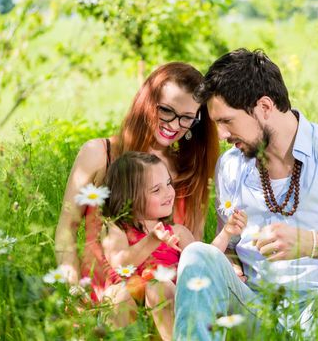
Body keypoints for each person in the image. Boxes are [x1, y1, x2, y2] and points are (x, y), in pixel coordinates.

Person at [173, 48, 318, 340]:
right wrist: (231, 263)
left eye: (227, 121)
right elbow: (229, 245)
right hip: (258, 318)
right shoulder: (231, 166)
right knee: (199, 254)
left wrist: (314, 245)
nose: (221, 135)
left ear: (265, 107)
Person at [54, 63, 219, 303]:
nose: (174, 125)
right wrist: (72, 291)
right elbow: (66, 230)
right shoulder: (100, 154)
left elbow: (192, 248)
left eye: (186, 118)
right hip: (106, 301)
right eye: (167, 111)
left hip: (166, 300)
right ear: (147, 103)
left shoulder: (190, 170)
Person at [101, 151, 247, 340]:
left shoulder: (178, 232)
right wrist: (152, 239)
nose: (169, 192)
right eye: (156, 190)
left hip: (169, 307)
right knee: (121, 294)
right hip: (130, 308)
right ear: (128, 197)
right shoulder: (117, 228)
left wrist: (226, 233)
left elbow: (203, 260)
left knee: (157, 286)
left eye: (168, 183)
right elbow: (121, 264)